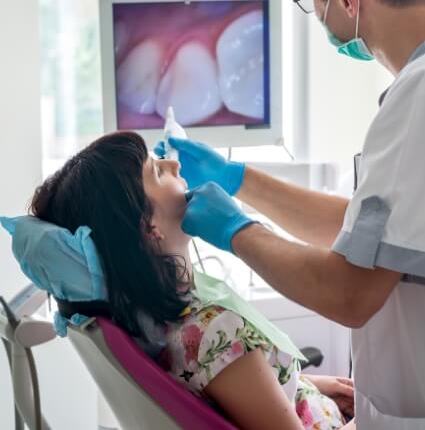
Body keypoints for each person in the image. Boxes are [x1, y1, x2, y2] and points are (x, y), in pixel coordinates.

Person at [156, 0, 425, 428]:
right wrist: (238, 180)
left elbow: (349, 293)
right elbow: (371, 236)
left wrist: (237, 230)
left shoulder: (418, 98)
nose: (318, 17)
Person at [30, 131, 354, 430]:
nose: (174, 163)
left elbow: (235, 390)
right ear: (148, 227)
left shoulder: (167, 323)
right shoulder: (214, 331)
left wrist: (304, 385)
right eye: (157, 171)